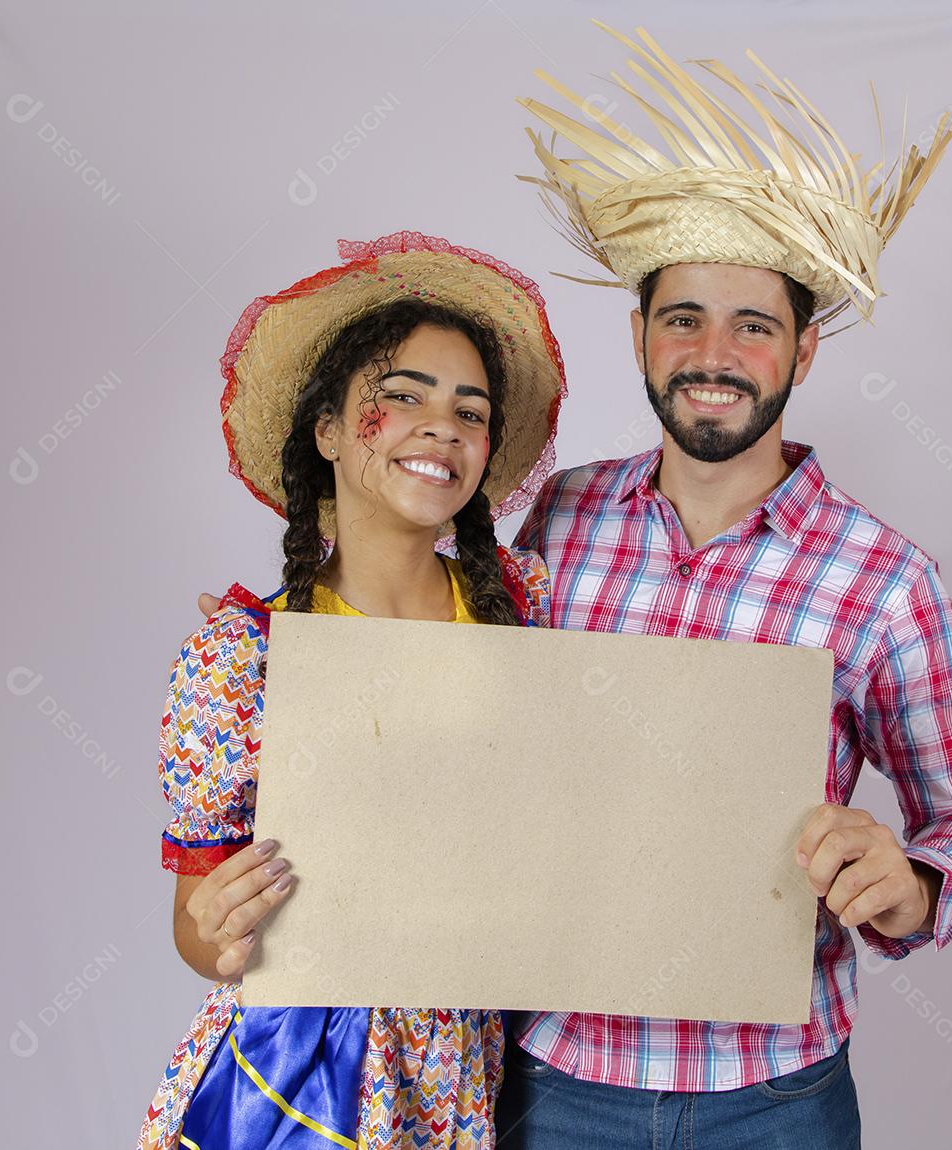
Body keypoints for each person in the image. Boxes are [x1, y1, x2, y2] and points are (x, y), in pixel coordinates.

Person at [484, 24, 952, 1149]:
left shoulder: (884, 578)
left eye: (755, 325)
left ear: (804, 353)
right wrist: (294, 622)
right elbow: (463, 702)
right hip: (553, 1081)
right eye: (683, 317)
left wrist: (908, 886)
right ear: (638, 334)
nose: (712, 351)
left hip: (775, 1100)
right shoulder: (559, 517)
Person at [137, 230, 567, 1150]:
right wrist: (220, 933)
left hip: (467, 1069)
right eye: (400, 397)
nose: (442, 426)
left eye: (470, 410)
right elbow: (196, 927)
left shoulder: (524, 612)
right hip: (295, 1073)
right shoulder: (243, 658)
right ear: (327, 430)